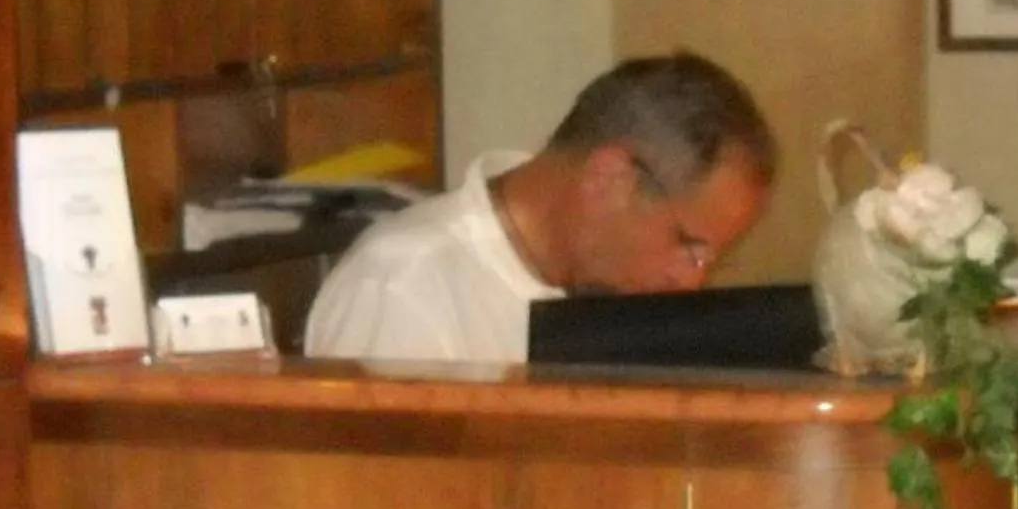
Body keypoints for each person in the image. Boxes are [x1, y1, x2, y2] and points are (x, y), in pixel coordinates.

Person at [303, 51, 777, 365]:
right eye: (689, 248)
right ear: (609, 177)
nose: (690, 282)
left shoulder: (612, 297)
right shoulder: (403, 289)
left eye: (709, 261)